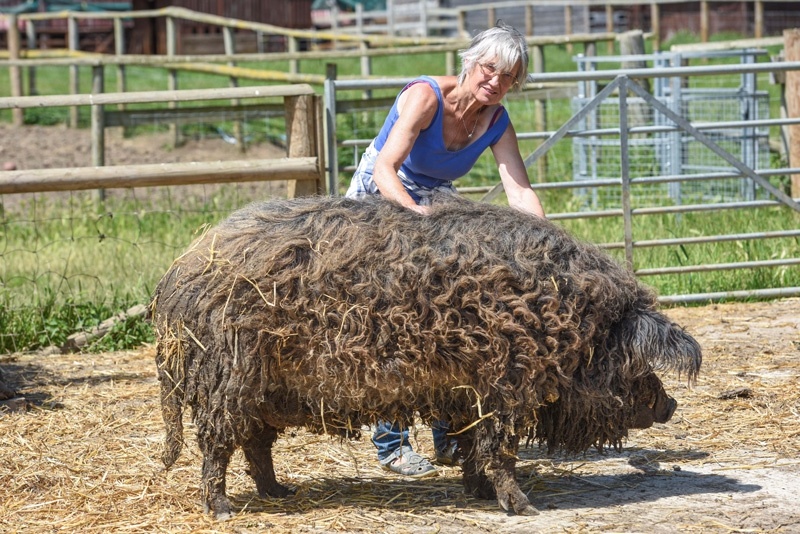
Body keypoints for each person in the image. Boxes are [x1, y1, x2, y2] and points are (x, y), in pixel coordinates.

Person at [345, 21, 545, 478]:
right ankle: (392, 444)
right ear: (471, 63)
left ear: (516, 83)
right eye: (490, 68)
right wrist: (417, 219)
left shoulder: (496, 121)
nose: (495, 80)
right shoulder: (425, 97)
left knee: (449, 314)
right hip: (382, 197)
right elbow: (385, 170)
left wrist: (547, 244)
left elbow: (518, 191)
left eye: (508, 76)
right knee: (395, 316)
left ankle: (450, 438)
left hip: (435, 203)